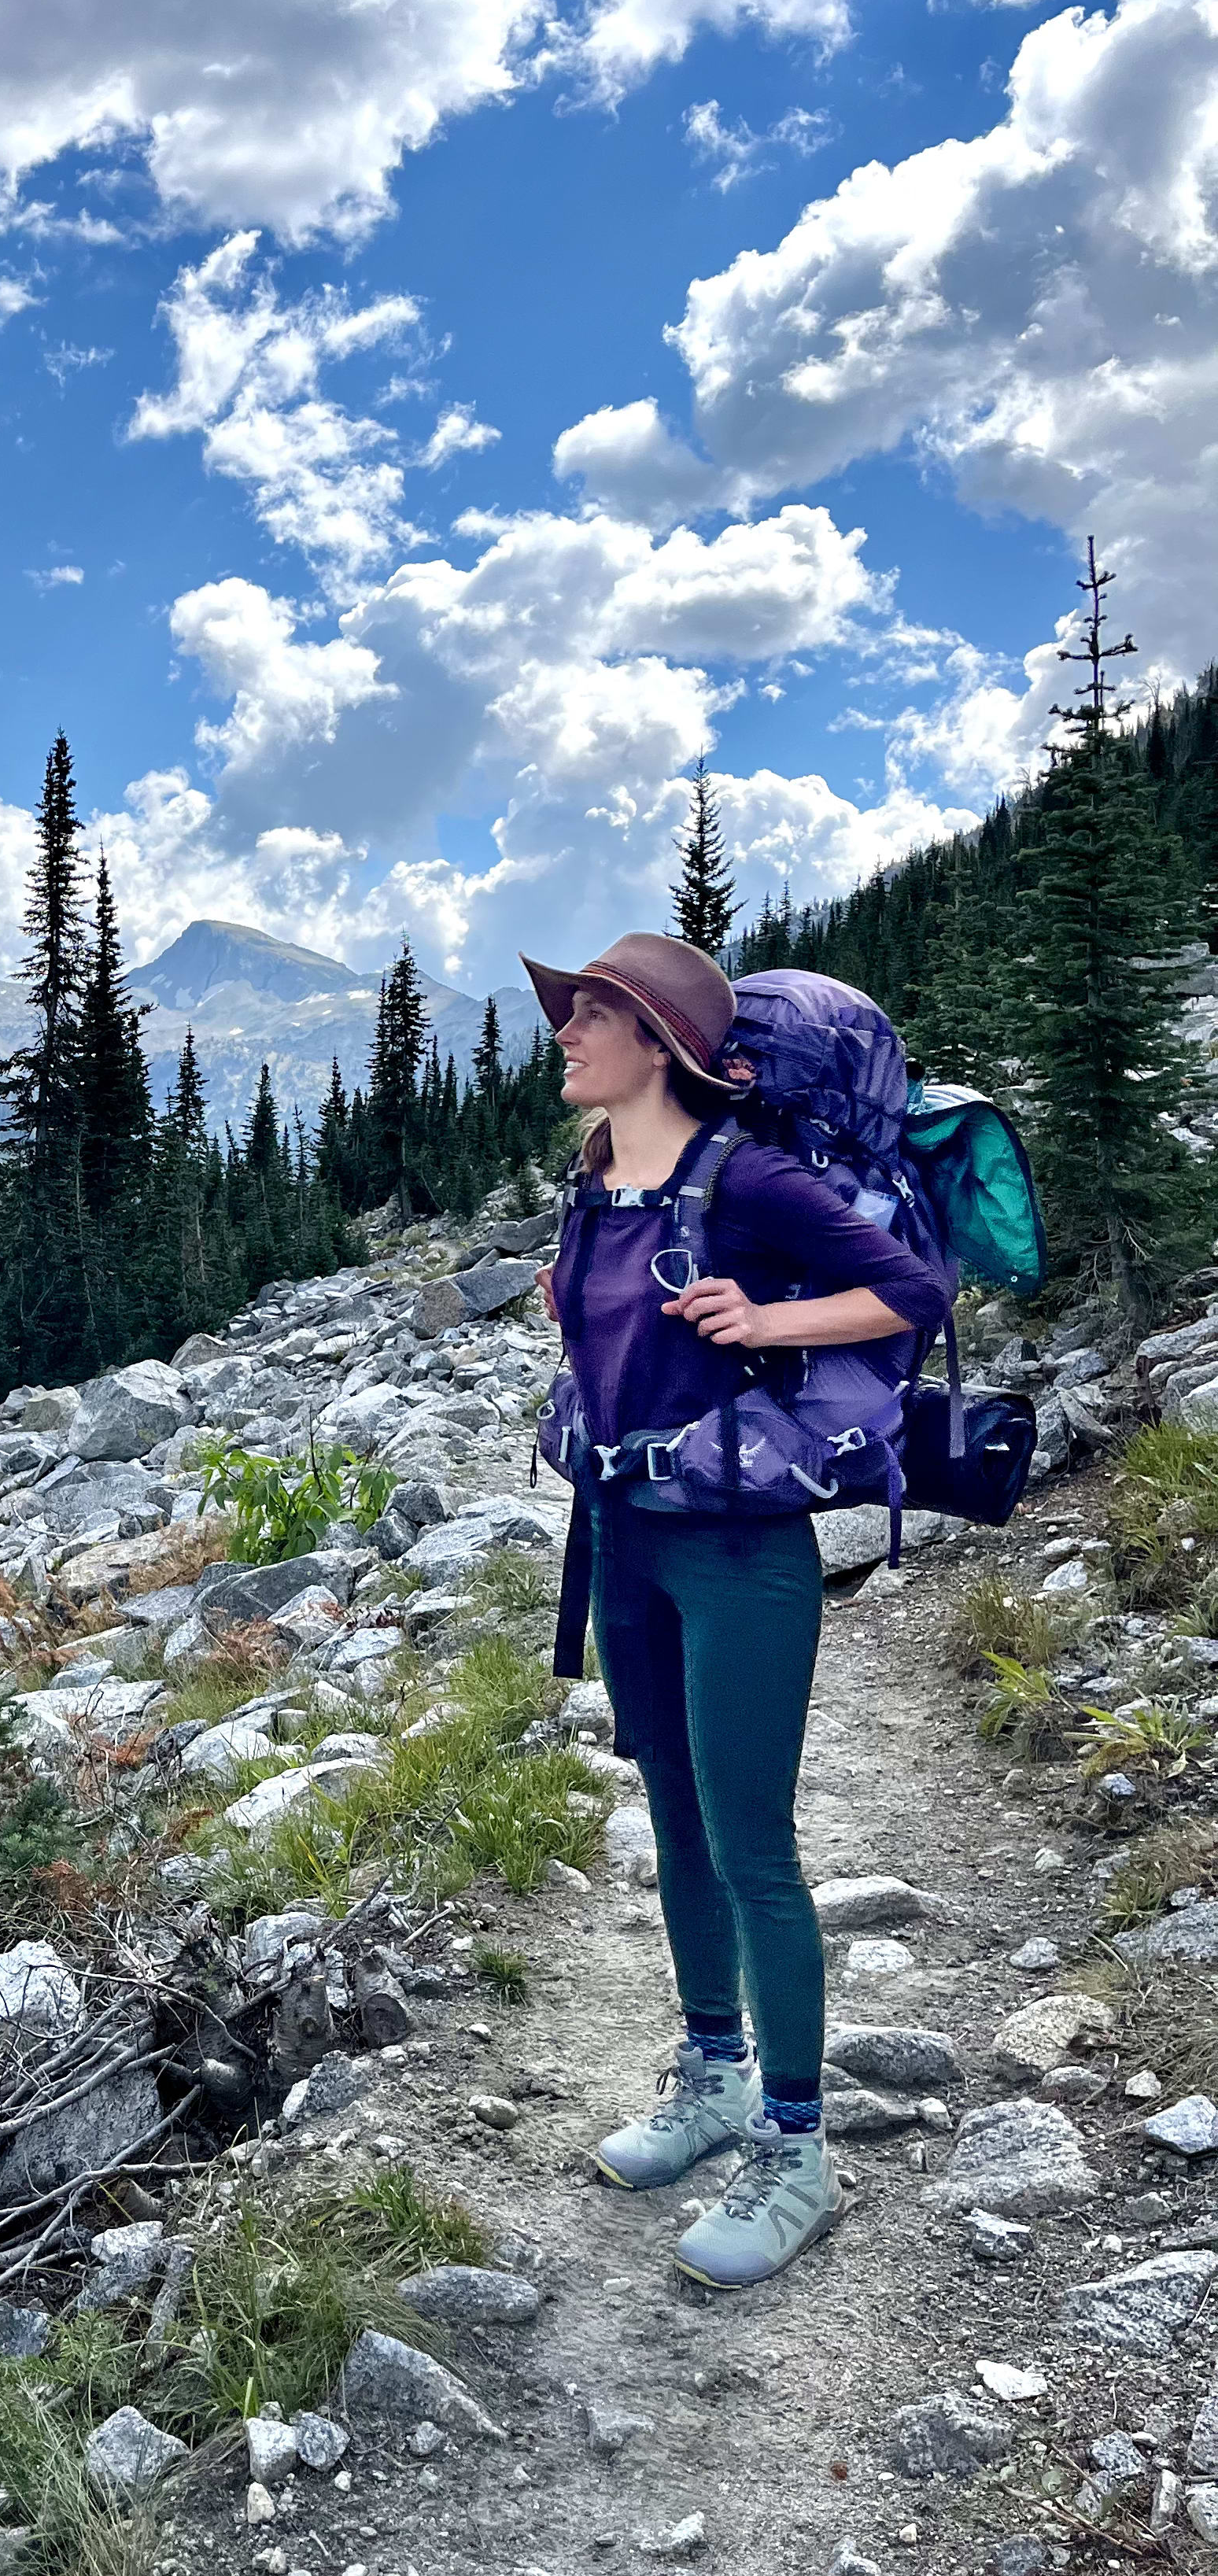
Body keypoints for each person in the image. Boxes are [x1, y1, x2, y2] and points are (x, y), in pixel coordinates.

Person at [519, 930, 950, 2289]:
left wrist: (768, 1324)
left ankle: (799, 2152)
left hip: (741, 1556)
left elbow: (914, 1292)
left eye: (593, 1013)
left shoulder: (748, 1178)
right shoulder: (599, 1175)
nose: (567, 1030)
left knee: (753, 1844)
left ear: (661, 1045)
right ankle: (712, 2076)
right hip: (625, 1541)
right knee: (673, 1816)